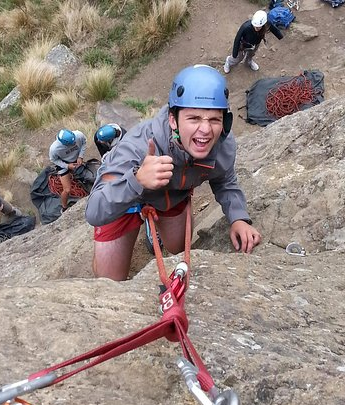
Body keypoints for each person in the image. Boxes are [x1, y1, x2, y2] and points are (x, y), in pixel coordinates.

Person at [84, 65, 262, 281]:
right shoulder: (138, 145)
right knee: (109, 280)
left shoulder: (221, 144)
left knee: (177, 249)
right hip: (124, 195)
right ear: (173, 120)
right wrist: (137, 179)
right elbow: (94, 212)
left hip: (171, 193)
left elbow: (224, 180)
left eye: (214, 119)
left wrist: (238, 217)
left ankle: (155, 228)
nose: (205, 130)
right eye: (194, 118)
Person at [49, 128, 87, 212]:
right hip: (64, 163)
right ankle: (64, 207)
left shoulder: (78, 135)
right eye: (71, 144)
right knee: (67, 189)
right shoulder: (54, 148)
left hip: (76, 158)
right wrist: (67, 166)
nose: (74, 144)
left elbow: (84, 142)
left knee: (86, 175)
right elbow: (54, 160)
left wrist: (80, 156)